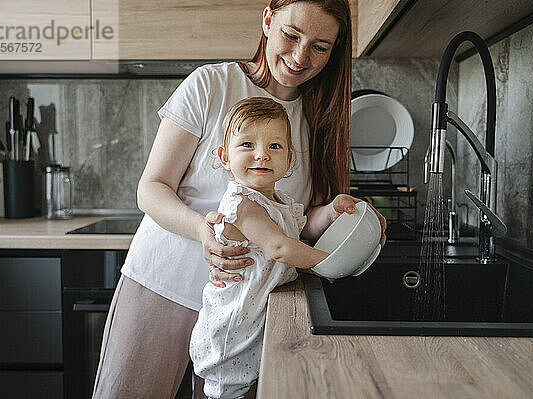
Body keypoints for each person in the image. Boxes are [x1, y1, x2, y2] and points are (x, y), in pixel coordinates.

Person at [92, 1, 387, 398]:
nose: (301, 56)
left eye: (320, 46)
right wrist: (204, 231)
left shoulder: (321, 118)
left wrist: (346, 219)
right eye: (291, 34)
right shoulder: (210, 84)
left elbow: (296, 216)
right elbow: (152, 187)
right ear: (268, 20)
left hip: (246, 311)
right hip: (164, 283)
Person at [191, 97, 355, 399]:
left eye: (275, 147)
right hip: (233, 326)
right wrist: (332, 263)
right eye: (247, 145)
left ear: (289, 161)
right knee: (227, 392)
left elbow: (301, 229)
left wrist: (334, 211)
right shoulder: (242, 205)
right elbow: (280, 247)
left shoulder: (279, 201)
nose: (262, 155)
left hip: (257, 316)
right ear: (224, 156)